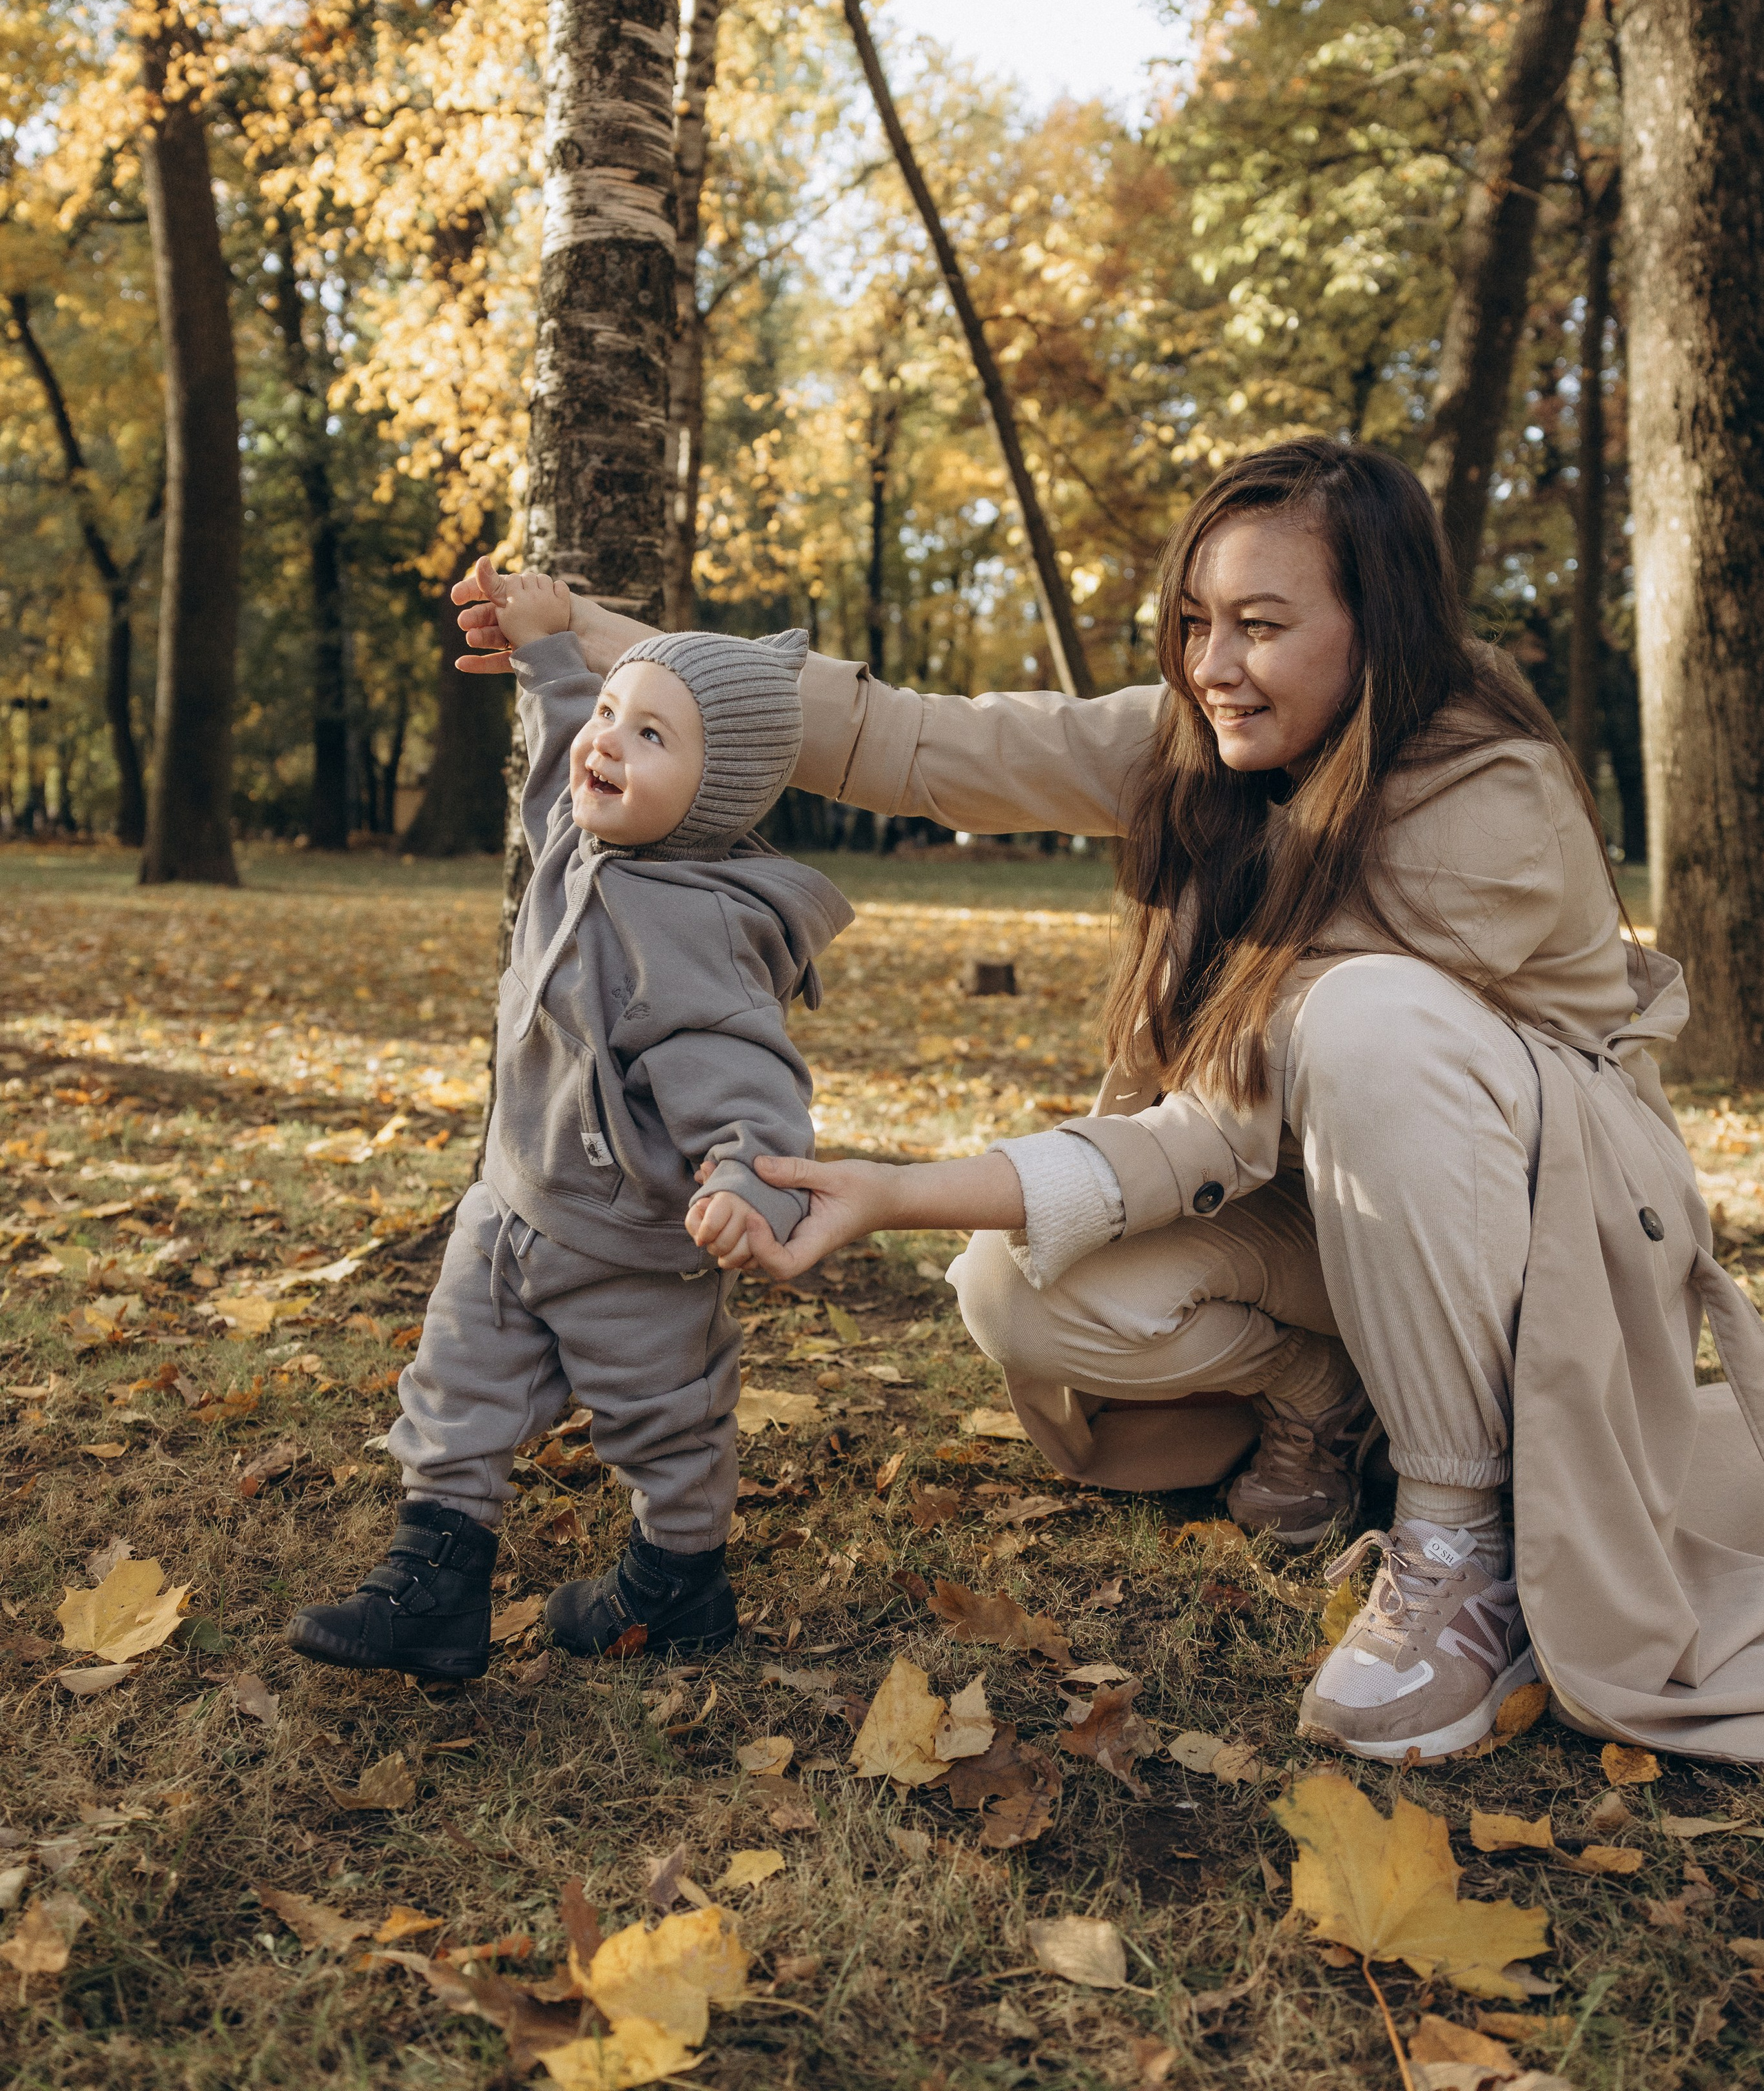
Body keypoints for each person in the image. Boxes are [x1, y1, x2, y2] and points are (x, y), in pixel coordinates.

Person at [458, 438, 1764, 1767]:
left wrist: (898, 1187)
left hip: (1546, 1235)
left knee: (1368, 1020)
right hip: (1320, 1214)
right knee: (1016, 1285)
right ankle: (1331, 1394)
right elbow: (910, 740)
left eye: (1262, 626)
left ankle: (1459, 1542)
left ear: (1383, 631)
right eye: (1196, 623)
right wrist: (586, 633)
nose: (1212, 665)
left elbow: (1215, 1124)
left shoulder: (1486, 799)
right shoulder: (1205, 746)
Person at [287, 567, 852, 1682]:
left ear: (712, 796)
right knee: (456, 1382)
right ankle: (434, 1586)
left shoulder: (693, 929)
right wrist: (552, 654)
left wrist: (745, 1179)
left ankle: (675, 1584)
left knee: (664, 1423)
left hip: (632, 1246)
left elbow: (750, 1082)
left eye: (650, 734)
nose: (606, 741)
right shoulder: (584, 837)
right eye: (612, 711)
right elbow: (558, 749)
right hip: (510, 1200)